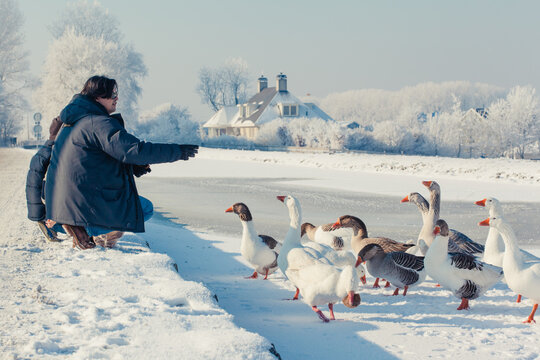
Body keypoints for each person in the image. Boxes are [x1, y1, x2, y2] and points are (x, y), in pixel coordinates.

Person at [44, 75, 198, 250]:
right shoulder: (97, 122)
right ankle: (92, 232)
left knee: (133, 204)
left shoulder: (75, 122)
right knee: (143, 208)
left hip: (64, 204)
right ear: (97, 97)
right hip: (78, 207)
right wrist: (177, 151)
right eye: (112, 94)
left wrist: (133, 167)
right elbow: (135, 150)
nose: (116, 98)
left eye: (116, 93)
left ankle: (79, 226)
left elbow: (98, 159)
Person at [25, 116, 63, 242]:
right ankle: (49, 222)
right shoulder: (55, 150)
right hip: (51, 192)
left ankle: (46, 220)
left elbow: (33, 182)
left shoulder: (46, 150)